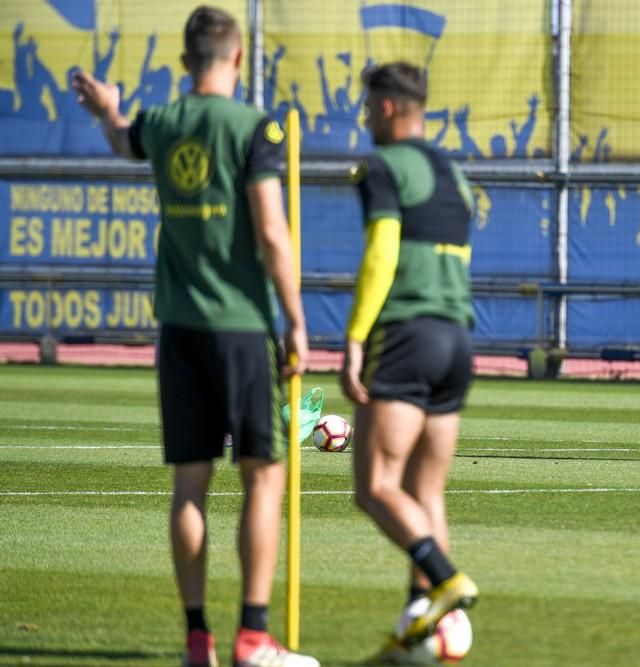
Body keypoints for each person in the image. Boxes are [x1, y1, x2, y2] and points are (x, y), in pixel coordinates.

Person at [72, 7, 317, 667]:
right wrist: (296, 317)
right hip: (240, 326)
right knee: (264, 477)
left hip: (178, 330)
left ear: (185, 64)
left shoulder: (162, 122)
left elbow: (123, 141)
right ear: (238, 59)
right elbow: (271, 231)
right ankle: (253, 638)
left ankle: (196, 639)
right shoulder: (253, 127)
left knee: (190, 484)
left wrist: (109, 109)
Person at [340, 61, 479, 663]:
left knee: (375, 487)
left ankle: (446, 579)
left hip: (406, 337)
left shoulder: (382, 167)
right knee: (426, 494)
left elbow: (381, 253)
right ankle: (424, 635)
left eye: (369, 105)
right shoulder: (457, 174)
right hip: (456, 338)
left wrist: (353, 337)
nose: (365, 115)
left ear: (389, 107)